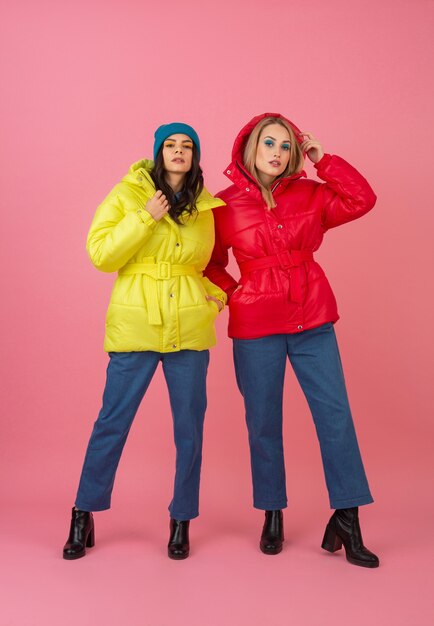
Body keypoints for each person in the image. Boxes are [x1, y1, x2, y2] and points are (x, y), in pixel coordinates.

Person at [204, 112, 379, 568]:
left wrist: (325, 160)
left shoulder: (312, 193)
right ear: (250, 147)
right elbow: (209, 263)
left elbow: (362, 199)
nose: (278, 153)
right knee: (263, 423)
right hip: (256, 326)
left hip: (313, 318)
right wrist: (234, 292)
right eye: (269, 143)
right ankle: (272, 513)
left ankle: (347, 516)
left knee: (335, 417)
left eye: (287, 146)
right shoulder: (223, 207)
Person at [63, 123, 226, 561]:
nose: (178, 151)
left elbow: (212, 265)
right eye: (170, 145)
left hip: (189, 328)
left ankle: (181, 520)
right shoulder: (128, 195)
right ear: (157, 152)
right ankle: (83, 513)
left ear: (194, 157)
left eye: (187, 146)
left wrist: (214, 299)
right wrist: (144, 216)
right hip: (135, 325)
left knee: (189, 429)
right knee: (112, 421)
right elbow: (102, 255)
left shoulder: (207, 207)